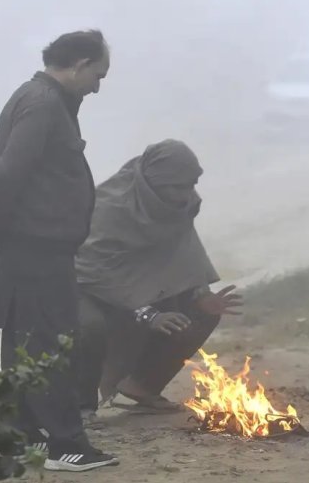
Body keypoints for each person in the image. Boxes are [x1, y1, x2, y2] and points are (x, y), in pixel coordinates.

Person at [0, 30, 118, 472]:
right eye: (97, 74)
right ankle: (67, 445)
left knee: (25, 349)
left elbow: (0, 168)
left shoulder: (38, 98)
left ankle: (21, 440)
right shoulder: (43, 103)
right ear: (78, 64)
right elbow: (9, 171)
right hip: (35, 251)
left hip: (30, 248)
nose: (97, 85)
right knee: (50, 346)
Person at [73, 139, 243, 415]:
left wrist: (199, 293)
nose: (185, 194)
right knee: (91, 327)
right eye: (176, 186)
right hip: (86, 288)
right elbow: (93, 271)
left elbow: (180, 249)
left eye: (190, 185)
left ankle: (141, 387)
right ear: (151, 182)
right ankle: (81, 404)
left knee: (200, 313)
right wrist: (147, 314)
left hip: (138, 287)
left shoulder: (183, 203)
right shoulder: (108, 209)